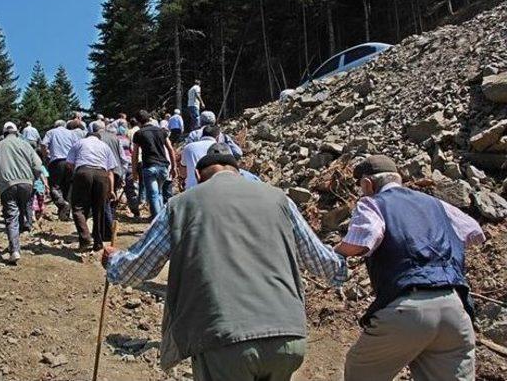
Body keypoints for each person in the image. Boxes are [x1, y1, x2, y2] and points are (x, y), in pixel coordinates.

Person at [102, 143, 347, 380]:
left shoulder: (181, 205)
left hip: (225, 338)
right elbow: (323, 264)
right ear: (238, 172)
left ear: (198, 175)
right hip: (288, 338)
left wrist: (114, 262)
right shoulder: (279, 199)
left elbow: (138, 267)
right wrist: (352, 261)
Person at [334, 155, 485, 381]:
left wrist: (337, 252)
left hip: (408, 308)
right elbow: (474, 232)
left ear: (367, 184)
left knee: (360, 371)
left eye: (361, 187)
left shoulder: (372, 203)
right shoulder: (435, 203)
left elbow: (365, 238)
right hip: (454, 308)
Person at [0, 122, 42, 264]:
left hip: (7, 185)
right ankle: (20, 235)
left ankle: (14, 250)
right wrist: (33, 178)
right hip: (26, 184)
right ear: (17, 132)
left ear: (4, 133)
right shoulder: (25, 144)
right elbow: (38, 165)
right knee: (21, 210)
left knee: (11, 215)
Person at [66, 133, 118, 251]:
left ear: (87, 136)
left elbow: (69, 163)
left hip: (83, 172)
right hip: (101, 174)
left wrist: (76, 175)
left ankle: (85, 237)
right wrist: (111, 190)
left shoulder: (79, 143)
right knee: (99, 209)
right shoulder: (104, 146)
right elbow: (110, 171)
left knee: (78, 208)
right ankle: (98, 242)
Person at [132, 110, 177, 219]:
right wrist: (174, 166)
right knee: (159, 193)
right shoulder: (161, 131)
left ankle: (158, 220)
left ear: (138, 122)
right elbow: (171, 149)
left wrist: (134, 170)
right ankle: (162, 218)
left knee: (153, 194)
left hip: (149, 165)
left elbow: (135, 153)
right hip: (163, 166)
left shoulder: (139, 133)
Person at [41, 120, 76, 221]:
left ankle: (62, 204)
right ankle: (65, 215)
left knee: (55, 187)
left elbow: (43, 145)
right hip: (70, 162)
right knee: (68, 187)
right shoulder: (71, 133)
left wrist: (46, 156)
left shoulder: (51, 132)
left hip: (56, 162)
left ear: (55, 125)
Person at [181, 125, 219, 190]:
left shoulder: (188, 147)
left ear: (202, 135)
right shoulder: (221, 148)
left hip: (192, 188)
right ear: (217, 137)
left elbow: (183, 171)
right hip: (214, 188)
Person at [117, 125, 140, 219]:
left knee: (116, 189)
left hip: (119, 166)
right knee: (131, 190)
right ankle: (136, 212)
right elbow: (133, 151)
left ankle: (112, 211)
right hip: (129, 165)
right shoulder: (128, 139)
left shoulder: (115, 139)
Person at [32, 149, 50, 220]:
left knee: (34, 202)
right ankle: (38, 217)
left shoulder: (32, 167)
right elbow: (45, 177)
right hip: (40, 188)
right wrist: (47, 186)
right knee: (40, 203)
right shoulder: (42, 167)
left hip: (33, 187)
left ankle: (34, 215)